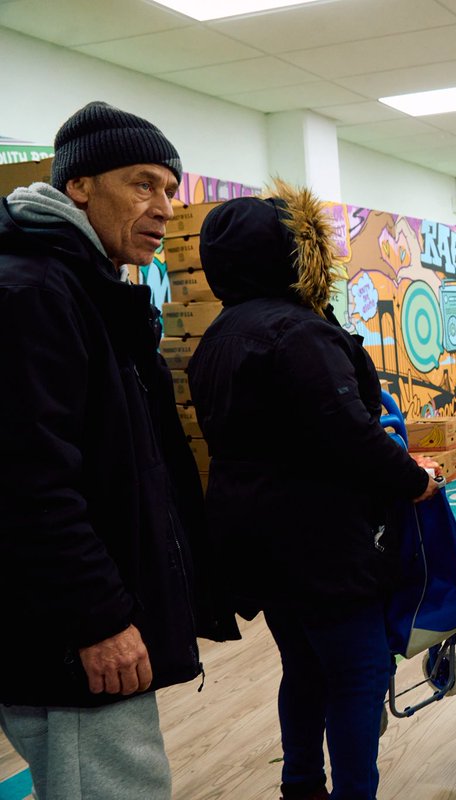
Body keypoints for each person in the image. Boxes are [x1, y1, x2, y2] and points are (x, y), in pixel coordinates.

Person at [0, 101, 234, 799]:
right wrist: (98, 617)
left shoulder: (86, 287)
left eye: (170, 188)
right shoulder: (34, 292)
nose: (163, 206)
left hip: (84, 616)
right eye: (142, 184)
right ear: (78, 185)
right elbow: (28, 483)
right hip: (71, 635)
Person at [186, 182, 441, 800]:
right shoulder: (299, 332)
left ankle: (300, 785)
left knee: (302, 665)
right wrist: (415, 480)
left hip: (251, 535)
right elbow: (349, 434)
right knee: (359, 673)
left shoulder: (218, 336)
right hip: (317, 537)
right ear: (295, 255)